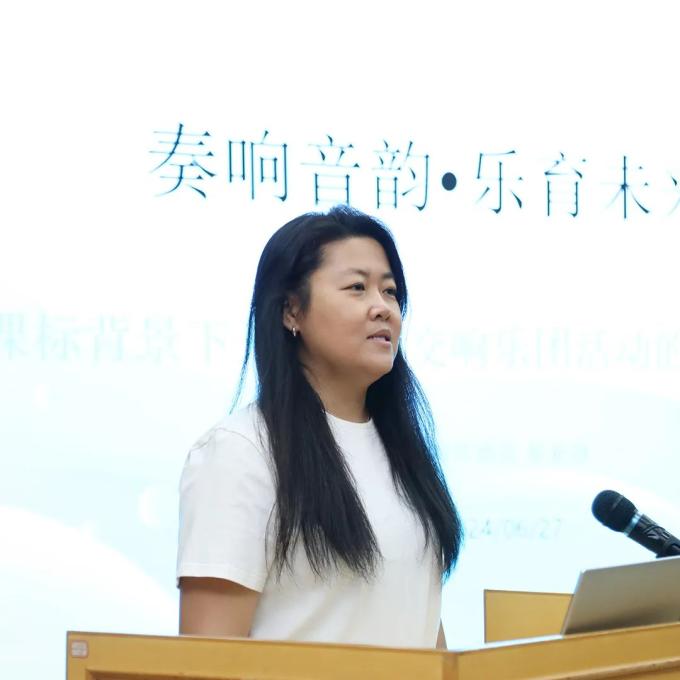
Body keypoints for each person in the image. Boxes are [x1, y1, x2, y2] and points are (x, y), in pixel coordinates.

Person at [176, 205, 463, 649]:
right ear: (292, 310)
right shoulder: (240, 451)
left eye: (390, 292)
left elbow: (419, 625)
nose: (382, 308)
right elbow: (206, 657)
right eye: (357, 288)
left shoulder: (402, 450)